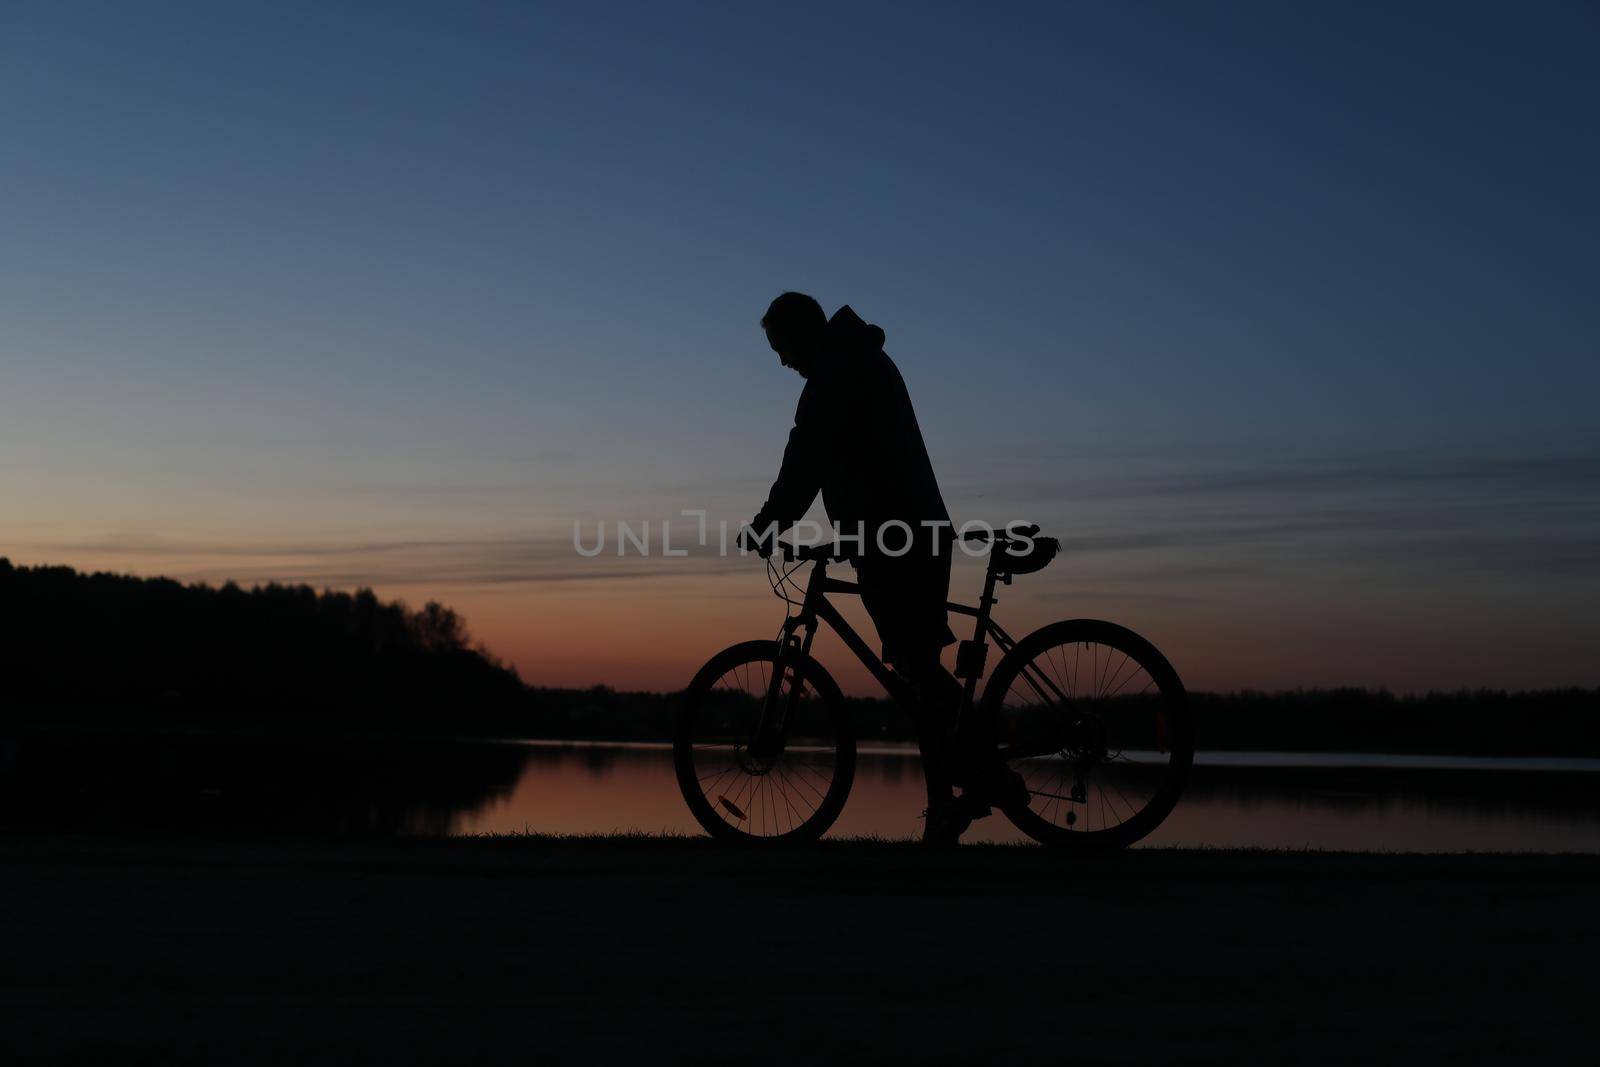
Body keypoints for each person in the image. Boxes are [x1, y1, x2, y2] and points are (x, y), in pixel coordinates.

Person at [740, 291, 1025, 844]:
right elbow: (859, 461)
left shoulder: (834, 375)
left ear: (804, 333)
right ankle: (947, 802)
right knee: (916, 673)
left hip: (899, 536)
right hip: (898, 530)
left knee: (917, 670)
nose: (781, 361)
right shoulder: (857, 359)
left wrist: (767, 522)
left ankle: (988, 775)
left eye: (781, 347)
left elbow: (807, 458)